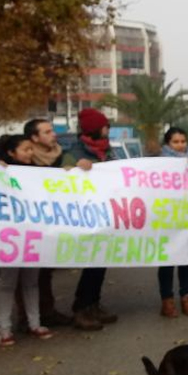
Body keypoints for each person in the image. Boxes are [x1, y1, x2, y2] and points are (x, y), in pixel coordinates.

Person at [0, 135, 54, 345]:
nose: (30, 153)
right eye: (26, 149)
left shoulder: (37, 173)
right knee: (7, 283)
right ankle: (4, 328)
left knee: (31, 282)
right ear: (11, 152)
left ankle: (34, 323)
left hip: (32, 235)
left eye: (31, 149)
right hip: (9, 237)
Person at [62, 108, 119, 331]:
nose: (108, 130)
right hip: (85, 215)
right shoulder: (75, 152)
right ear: (95, 129)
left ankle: (93, 303)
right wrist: (75, 169)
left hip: (105, 213)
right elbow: (62, 178)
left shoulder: (107, 151)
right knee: (91, 262)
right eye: (105, 126)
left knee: (101, 261)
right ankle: (82, 308)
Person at [19, 118, 72, 327]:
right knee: (23, 276)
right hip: (27, 225)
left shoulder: (60, 157)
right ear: (34, 138)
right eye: (47, 132)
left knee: (45, 271)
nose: (53, 135)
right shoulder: (21, 158)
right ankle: (27, 317)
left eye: (52, 131)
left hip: (50, 223)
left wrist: (75, 169)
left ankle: (46, 311)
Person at [158, 127, 188, 317]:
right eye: (176, 142)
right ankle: (167, 301)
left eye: (183, 141)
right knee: (166, 261)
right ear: (167, 144)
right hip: (165, 218)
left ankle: (186, 297)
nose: (181, 145)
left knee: (185, 260)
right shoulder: (158, 164)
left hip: (187, 217)